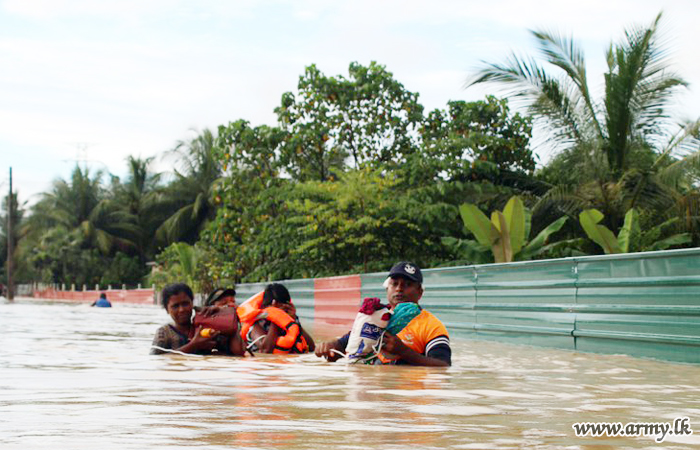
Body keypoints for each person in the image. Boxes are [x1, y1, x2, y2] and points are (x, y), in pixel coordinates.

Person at [315, 261, 451, 366]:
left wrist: (404, 352)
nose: (399, 289)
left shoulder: (432, 326)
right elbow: (341, 346)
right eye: (394, 284)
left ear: (420, 292)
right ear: (387, 289)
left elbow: (443, 366)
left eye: (407, 284)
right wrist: (327, 348)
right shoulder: (374, 318)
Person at [150, 283, 244, 356]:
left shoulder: (206, 328)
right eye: (175, 306)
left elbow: (238, 354)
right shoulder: (164, 333)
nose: (181, 309)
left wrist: (226, 315)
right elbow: (158, 360)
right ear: (167, 309)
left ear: (192, 303)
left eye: (185, 304)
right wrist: (193, 345)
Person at [240, 283, 315, 354]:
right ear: (266, 307)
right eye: (278, 308)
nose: (281, 312)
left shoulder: (289, 325)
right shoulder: (255, 326)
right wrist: (276, 318)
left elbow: (311, 348)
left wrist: (295, 321)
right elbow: (266, 350)